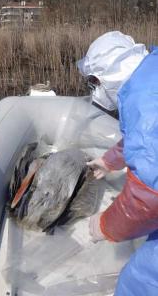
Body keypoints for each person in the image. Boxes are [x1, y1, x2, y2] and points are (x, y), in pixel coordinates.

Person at [78, 30, 158, 296]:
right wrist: (109, 161)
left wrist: (106, 225)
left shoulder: (143, 103)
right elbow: (145, 140)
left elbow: (149, 197)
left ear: (109, 73)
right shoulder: (148, 75)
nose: (95, 89)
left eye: (95, 81)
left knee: (139, 282)